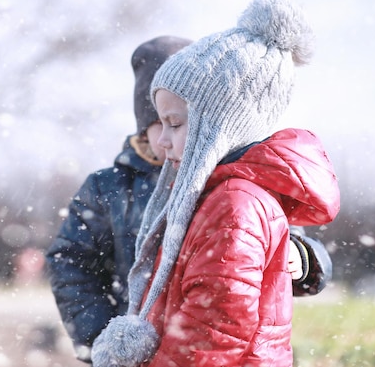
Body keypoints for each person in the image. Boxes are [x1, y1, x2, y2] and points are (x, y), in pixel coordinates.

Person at [46, 33, 333, 364]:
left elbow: (230, 300)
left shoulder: (231, 191)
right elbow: (70, 262)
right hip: (140, 342)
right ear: (143, 129)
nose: (166, 139)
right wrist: (103, 338)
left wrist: (302, 255)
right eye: (158, 124)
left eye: (176, 123)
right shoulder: (108, 187)